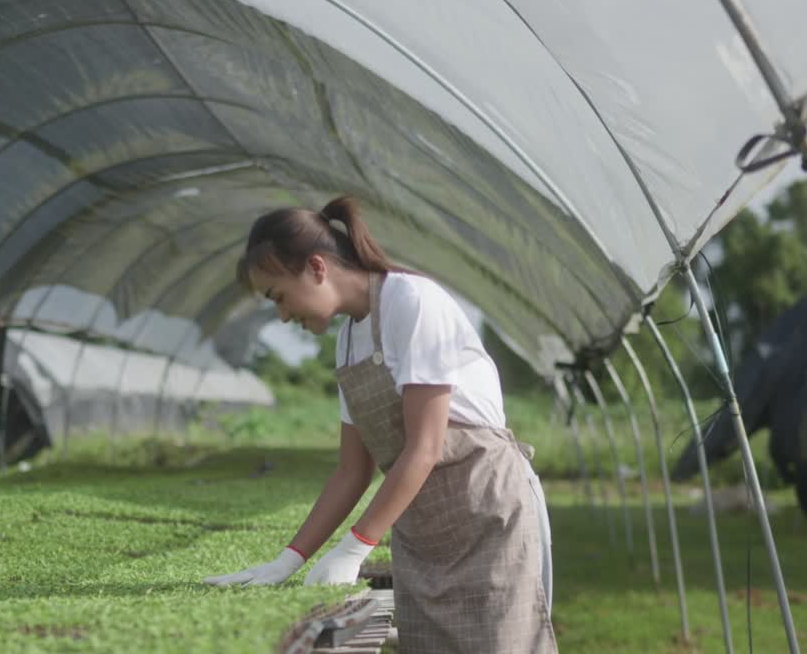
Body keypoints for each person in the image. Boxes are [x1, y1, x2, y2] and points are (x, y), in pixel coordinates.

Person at [203, 196, 556, 653]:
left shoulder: (411, 301)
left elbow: (426, 446)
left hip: (484, 513)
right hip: (422, 530)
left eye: (279, 297)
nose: (284, 315)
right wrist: (289, 559)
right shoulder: (348, 341)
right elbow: (353, 470)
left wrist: (354, 547)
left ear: (316, 267)